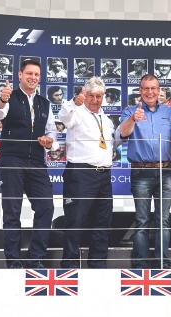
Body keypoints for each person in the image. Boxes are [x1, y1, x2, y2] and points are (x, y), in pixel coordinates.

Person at [0, 59, 59, 269]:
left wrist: (50, 143)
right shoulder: (9, 96)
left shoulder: (44, 103)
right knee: (12, 211)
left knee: (46, 207)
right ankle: (13, 261)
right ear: (20, 75)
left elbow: (52, 134)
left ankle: (35, 258)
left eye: (37, 75)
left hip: (37, 161)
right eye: (29, 73)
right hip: (12, 159)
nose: (33, 78)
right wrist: (2, 100)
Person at [118, 74, 171, 269]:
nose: (150, 92)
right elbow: (122, 134)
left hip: (165, 171)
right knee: (142, 220)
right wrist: (132, 119)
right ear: (139, 91)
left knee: (163, 220)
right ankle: (140, 265)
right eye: (145, 89)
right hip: (141, 173)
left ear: (159, 90)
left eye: (153, 88)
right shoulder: (129, 111)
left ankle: (162, 263)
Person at [58, 77, 115, 269]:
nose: (95, 100)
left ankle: (98, 265)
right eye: (91, 95)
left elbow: (111, 143)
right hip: (81, 174)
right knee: (76, 221)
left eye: (99, 96)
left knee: (103, 223)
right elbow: (64, 116)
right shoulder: (77, 113)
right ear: (85, 95)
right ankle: (69, 266)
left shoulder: (106, 119)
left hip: (104, 175)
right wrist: (75, 102)